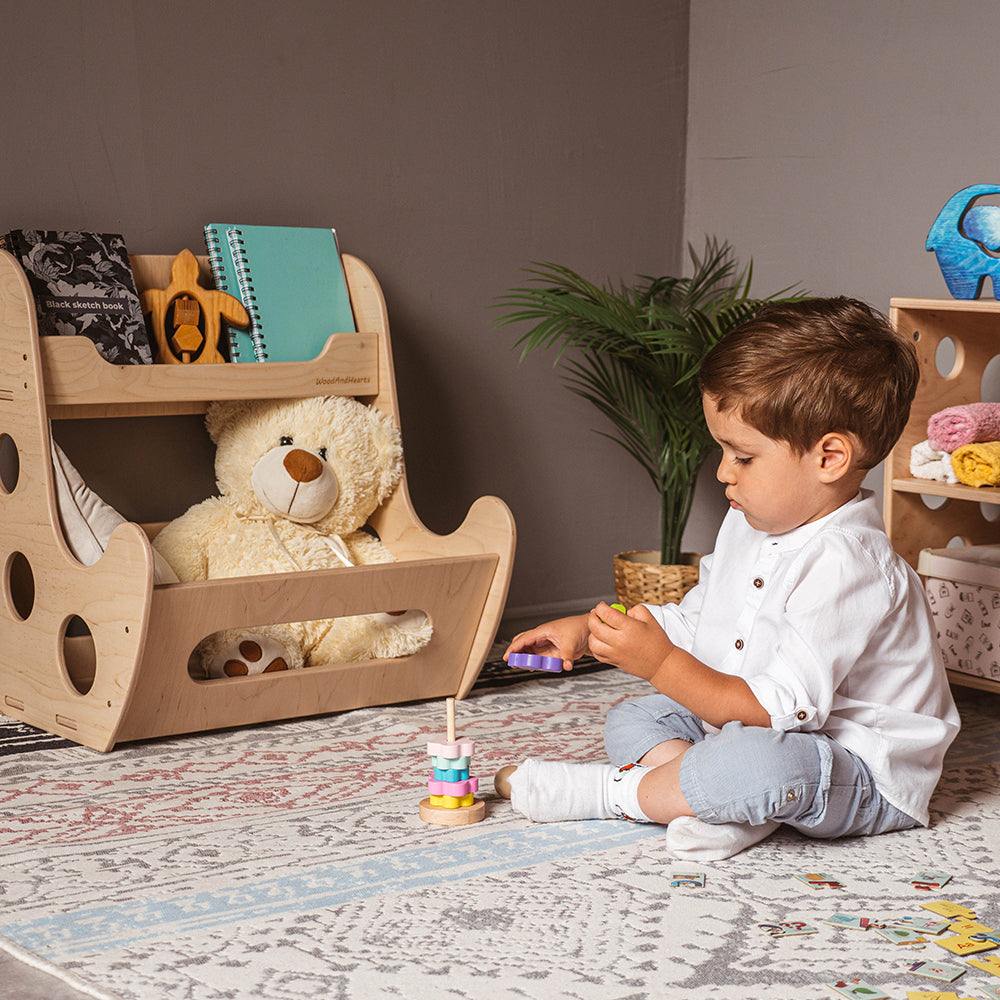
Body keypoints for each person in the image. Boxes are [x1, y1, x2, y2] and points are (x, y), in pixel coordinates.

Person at [500, 296, 961, 861]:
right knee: (636, 714)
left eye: (741, 456)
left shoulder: (849, 561)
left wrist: (664, 665)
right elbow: (701, 620)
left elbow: (780, 713)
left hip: (858, 767)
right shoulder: (750, 521)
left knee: (760, 763)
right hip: (753, 723)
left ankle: (619, 793)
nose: (721, 472)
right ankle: (719, 800)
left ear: (830, 457)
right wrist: (594, 629)